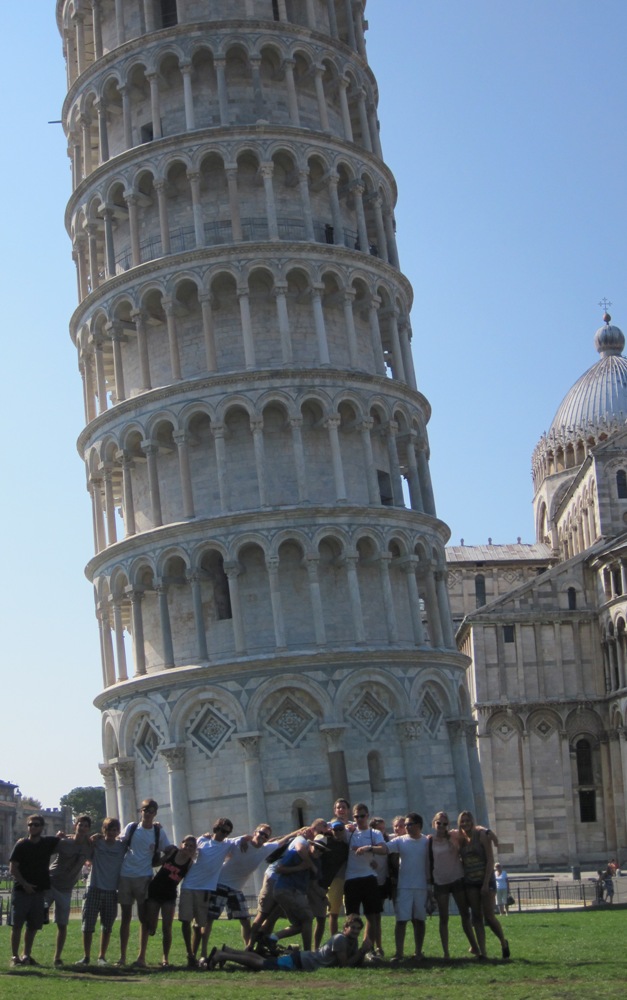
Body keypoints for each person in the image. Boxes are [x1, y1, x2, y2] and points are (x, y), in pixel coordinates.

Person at [212, 824, 294, 945]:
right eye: (261, 833)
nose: (263, 836)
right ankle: (201, 951)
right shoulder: (240, 843)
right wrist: (243, 838)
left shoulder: (266, 848)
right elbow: (222, 842)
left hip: (236, 889)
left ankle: (248, 948)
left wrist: (298, 832)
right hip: (220, 884)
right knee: (209, 919)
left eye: (266, 836)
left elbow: (282, 841)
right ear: (255, 832)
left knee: (245, 921)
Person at [179, 817, 243, 967]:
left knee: (199, 925)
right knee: (185, 921)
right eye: (221, 830)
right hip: (189, 885)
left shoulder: (227, 844)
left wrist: (247, 840)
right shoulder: (202, 840)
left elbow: (247, 839)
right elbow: (187, 848)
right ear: (215, 829)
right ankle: (189, 954)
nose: (223, 834)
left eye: (226, 832)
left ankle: (195, 955)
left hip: (206, 889)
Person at [208, 914, 371, 971]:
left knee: (263, 961)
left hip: (302, 960)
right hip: (300, 961)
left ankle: (228, 951)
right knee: (261, 964)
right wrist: (362, 952)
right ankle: (222, 955)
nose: (355, 931)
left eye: (358, 929)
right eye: (353, 928)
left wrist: (361, 952)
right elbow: (344, 965)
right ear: (345, 928)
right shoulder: (340, 939)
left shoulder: (352, 940)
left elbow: (354, 963)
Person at [118, 798, 170, 967]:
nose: (148, 813)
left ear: (155, 813)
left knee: (143, 918)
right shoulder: (132, 827)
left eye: (151, 811)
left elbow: (169, 850)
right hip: (126, 875)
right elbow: (119, 842)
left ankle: (141, 957)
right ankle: (122, 957)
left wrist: (160, 862)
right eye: (145, 810)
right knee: (125, 917)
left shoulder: (158, 832)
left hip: (144, 878)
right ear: (141, 811)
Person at [456, 810, 509, 960]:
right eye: (462, 821)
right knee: (476, 917)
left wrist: (486, 883)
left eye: (467, 820)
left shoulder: (481, 836)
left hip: (485, 881)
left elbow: (490, 860)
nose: (465, 823)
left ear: (472, 821)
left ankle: (503, 942)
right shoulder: (460, 838)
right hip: (470, 881)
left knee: (489, 917)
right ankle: (482, 952)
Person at [9, 814, 61, 966]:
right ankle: (15, 957)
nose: (32, 827)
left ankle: (26, 955)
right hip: (21, 890)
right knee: (17, 925)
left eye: (36, 824)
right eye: (30, 825)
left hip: (39, 891)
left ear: (42, 827)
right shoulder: (21, 845)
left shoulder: (48, 842)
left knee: (33, 926)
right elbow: (13, 868)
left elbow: (67, 838)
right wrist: (25, 884)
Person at [429, 810, 478, 959]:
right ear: (434, 824)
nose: (441, 826)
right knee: (443, 918)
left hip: (457, 878)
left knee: (465, 914)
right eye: (439, 823)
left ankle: (475, 946)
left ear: (448, 825)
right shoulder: (429, 840)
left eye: (444, 824)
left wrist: (489, 833)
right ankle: (446, 953)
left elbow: (474, 830)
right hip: (440, 881)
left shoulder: (455, 835)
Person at [78, 817, 127, 966]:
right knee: (88, 926)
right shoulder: (97, 843)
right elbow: (80, 840)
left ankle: (102, 957)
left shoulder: (121, 846)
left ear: (118, 831)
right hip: (94, 887)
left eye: (114, 830)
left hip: (111, 890)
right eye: (109, 829)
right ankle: (86, 957)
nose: (112, 832)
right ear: (104, 830)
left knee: (107, 927)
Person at [145, 836, 197, 968]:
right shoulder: (172, 852)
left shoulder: (190, 864)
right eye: (186, 845)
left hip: (169, 896)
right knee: (151, 927)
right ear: (181, 844)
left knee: (167, 928)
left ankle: (165, 958)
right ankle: (143, 952)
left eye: (191, 846)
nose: (188, 848)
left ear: (194, 849)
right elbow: (156, 863)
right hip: (155, 891)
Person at [49, 815, 93, 966]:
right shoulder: (64, 842)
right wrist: (56, 838)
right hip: (51, 882)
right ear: (75, 826)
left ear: (89, 829)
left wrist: (98, 837)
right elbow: (45, 851)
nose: (83, 828)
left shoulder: (89, 846)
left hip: (66, 889)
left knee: (62, 924)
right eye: (80, 825)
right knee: (35, 919)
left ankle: (57, 957)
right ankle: (26, 954)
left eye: (86, 826)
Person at [386, 812, 430, 963]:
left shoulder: (426, 841)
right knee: (401, 920)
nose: (406, 827)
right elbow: (385, 848)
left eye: (409, 824)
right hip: (404, 886)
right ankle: (399, 953)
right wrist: (369, 848)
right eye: (405, 825)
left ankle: (418, 952)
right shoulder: (400, 840)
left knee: (419, 920)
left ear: (418, 825)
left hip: (421, 886)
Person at [344, 803, 387, 947]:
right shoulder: (349, 832)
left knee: (372, 916)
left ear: (367, 816)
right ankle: (351, 949)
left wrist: (368, 848)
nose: (359, 819)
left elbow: (383, 849)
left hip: (369, 876)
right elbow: (331, 827)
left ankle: (369, 949)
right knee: (351, 918)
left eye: (362, 816)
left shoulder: (374, 833)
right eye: (356, 816)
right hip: (351, 878)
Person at [327, 799, 351, 935]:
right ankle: (334, 940)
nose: (341, 810)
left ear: (348, 810)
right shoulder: (329, 827)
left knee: (350, 911)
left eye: (343, 807)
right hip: (336, 876)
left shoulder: (354, 827)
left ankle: (349, 938)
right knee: (333, 912)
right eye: (338, 808)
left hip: (352, 874)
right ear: (334, 811)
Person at [368, 816, 391, 957]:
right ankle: (371, 947)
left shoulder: (387, 840)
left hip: (382, 881)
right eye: (378, 828)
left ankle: (378, 946)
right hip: (371, 881)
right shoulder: (368, 842)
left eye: (383, 828)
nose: (381, 831)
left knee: (377, 916)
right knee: (372, 916)